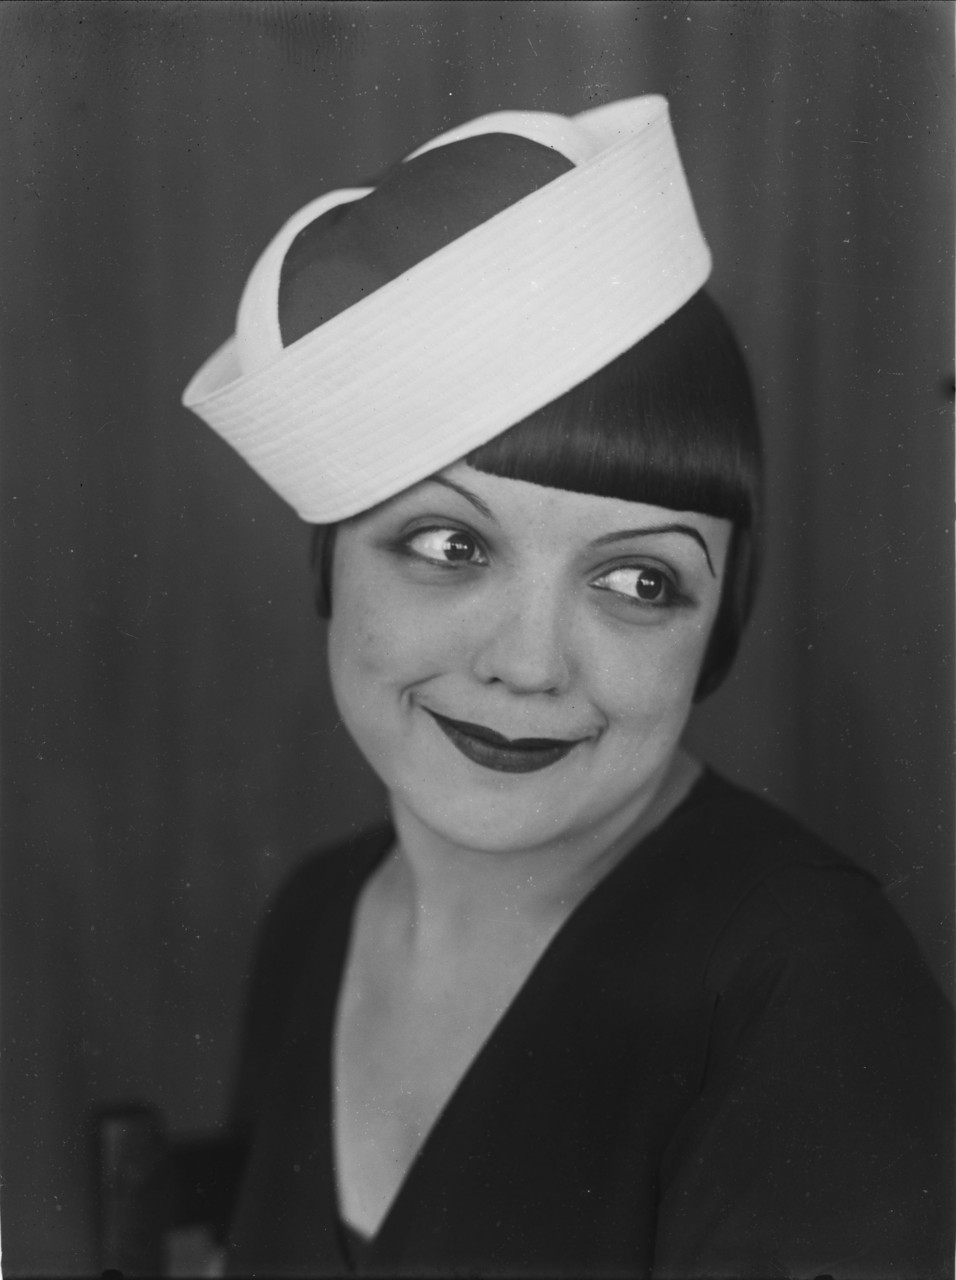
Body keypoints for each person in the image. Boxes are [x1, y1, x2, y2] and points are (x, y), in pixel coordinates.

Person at [182, 98, 952, 1279]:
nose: (530, 662)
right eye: (450, 545)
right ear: (329, 561)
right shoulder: (316, 914)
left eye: (639, 579)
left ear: (717, 626)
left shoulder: (809, 986)